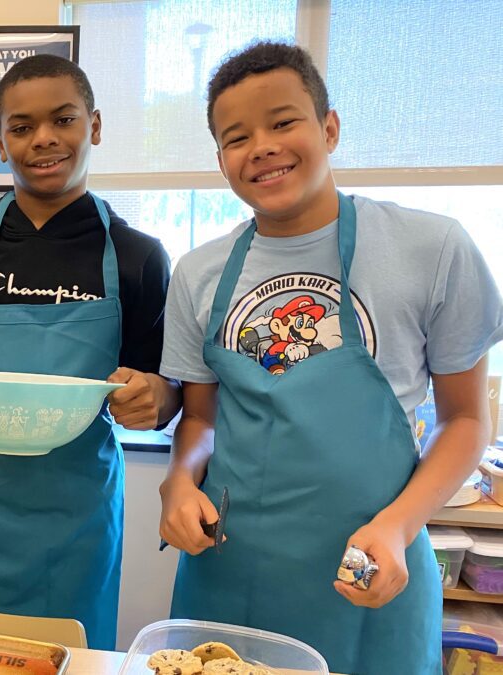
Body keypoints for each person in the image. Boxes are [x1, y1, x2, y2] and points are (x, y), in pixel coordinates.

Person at [158, 41, 503, 673]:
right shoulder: (199, 272)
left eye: (283, 122)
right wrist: (180, 482)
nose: (261, 145)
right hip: (230, 572)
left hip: (371, 568)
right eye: (237, 137)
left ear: (330, 127)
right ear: (220, 160)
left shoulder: (432, 248)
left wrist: (400, 527)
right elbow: (201, 420)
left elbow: (466, 422)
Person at [0, 55, 181, 650]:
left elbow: (165, 388)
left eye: (64, 120)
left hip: (78, 510)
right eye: (21, 127)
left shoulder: (138, 256)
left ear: (94, 127)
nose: (43, 139)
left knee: (70, 655)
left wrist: (159, 398)